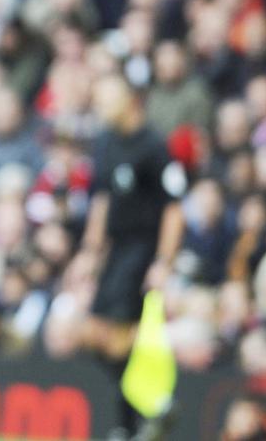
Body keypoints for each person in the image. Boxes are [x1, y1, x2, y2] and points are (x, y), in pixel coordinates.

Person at [81, 74, 186, 440]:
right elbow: (102, 198)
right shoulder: (107, 142)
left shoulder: (154, 146)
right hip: (116, 247)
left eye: (106, 100)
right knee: (93, 334)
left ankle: (126, 425)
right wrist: (90, 252)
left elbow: (174, 210)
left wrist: (162, 262)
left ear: (130, 101)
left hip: (142, 248)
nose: (100, 109)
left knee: (120, 337)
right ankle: (152, 408)